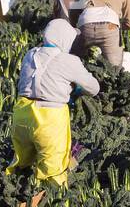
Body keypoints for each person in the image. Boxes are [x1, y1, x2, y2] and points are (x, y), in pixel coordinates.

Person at [7, 19, 100, 187]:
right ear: (65, 39)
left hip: (21, 114)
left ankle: (12, 194)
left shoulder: (31, 54)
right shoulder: (69, 60)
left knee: (21, 165)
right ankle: (46, 206)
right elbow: (94, 88)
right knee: (53, 173)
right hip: (49, 118)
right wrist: (77, 90)